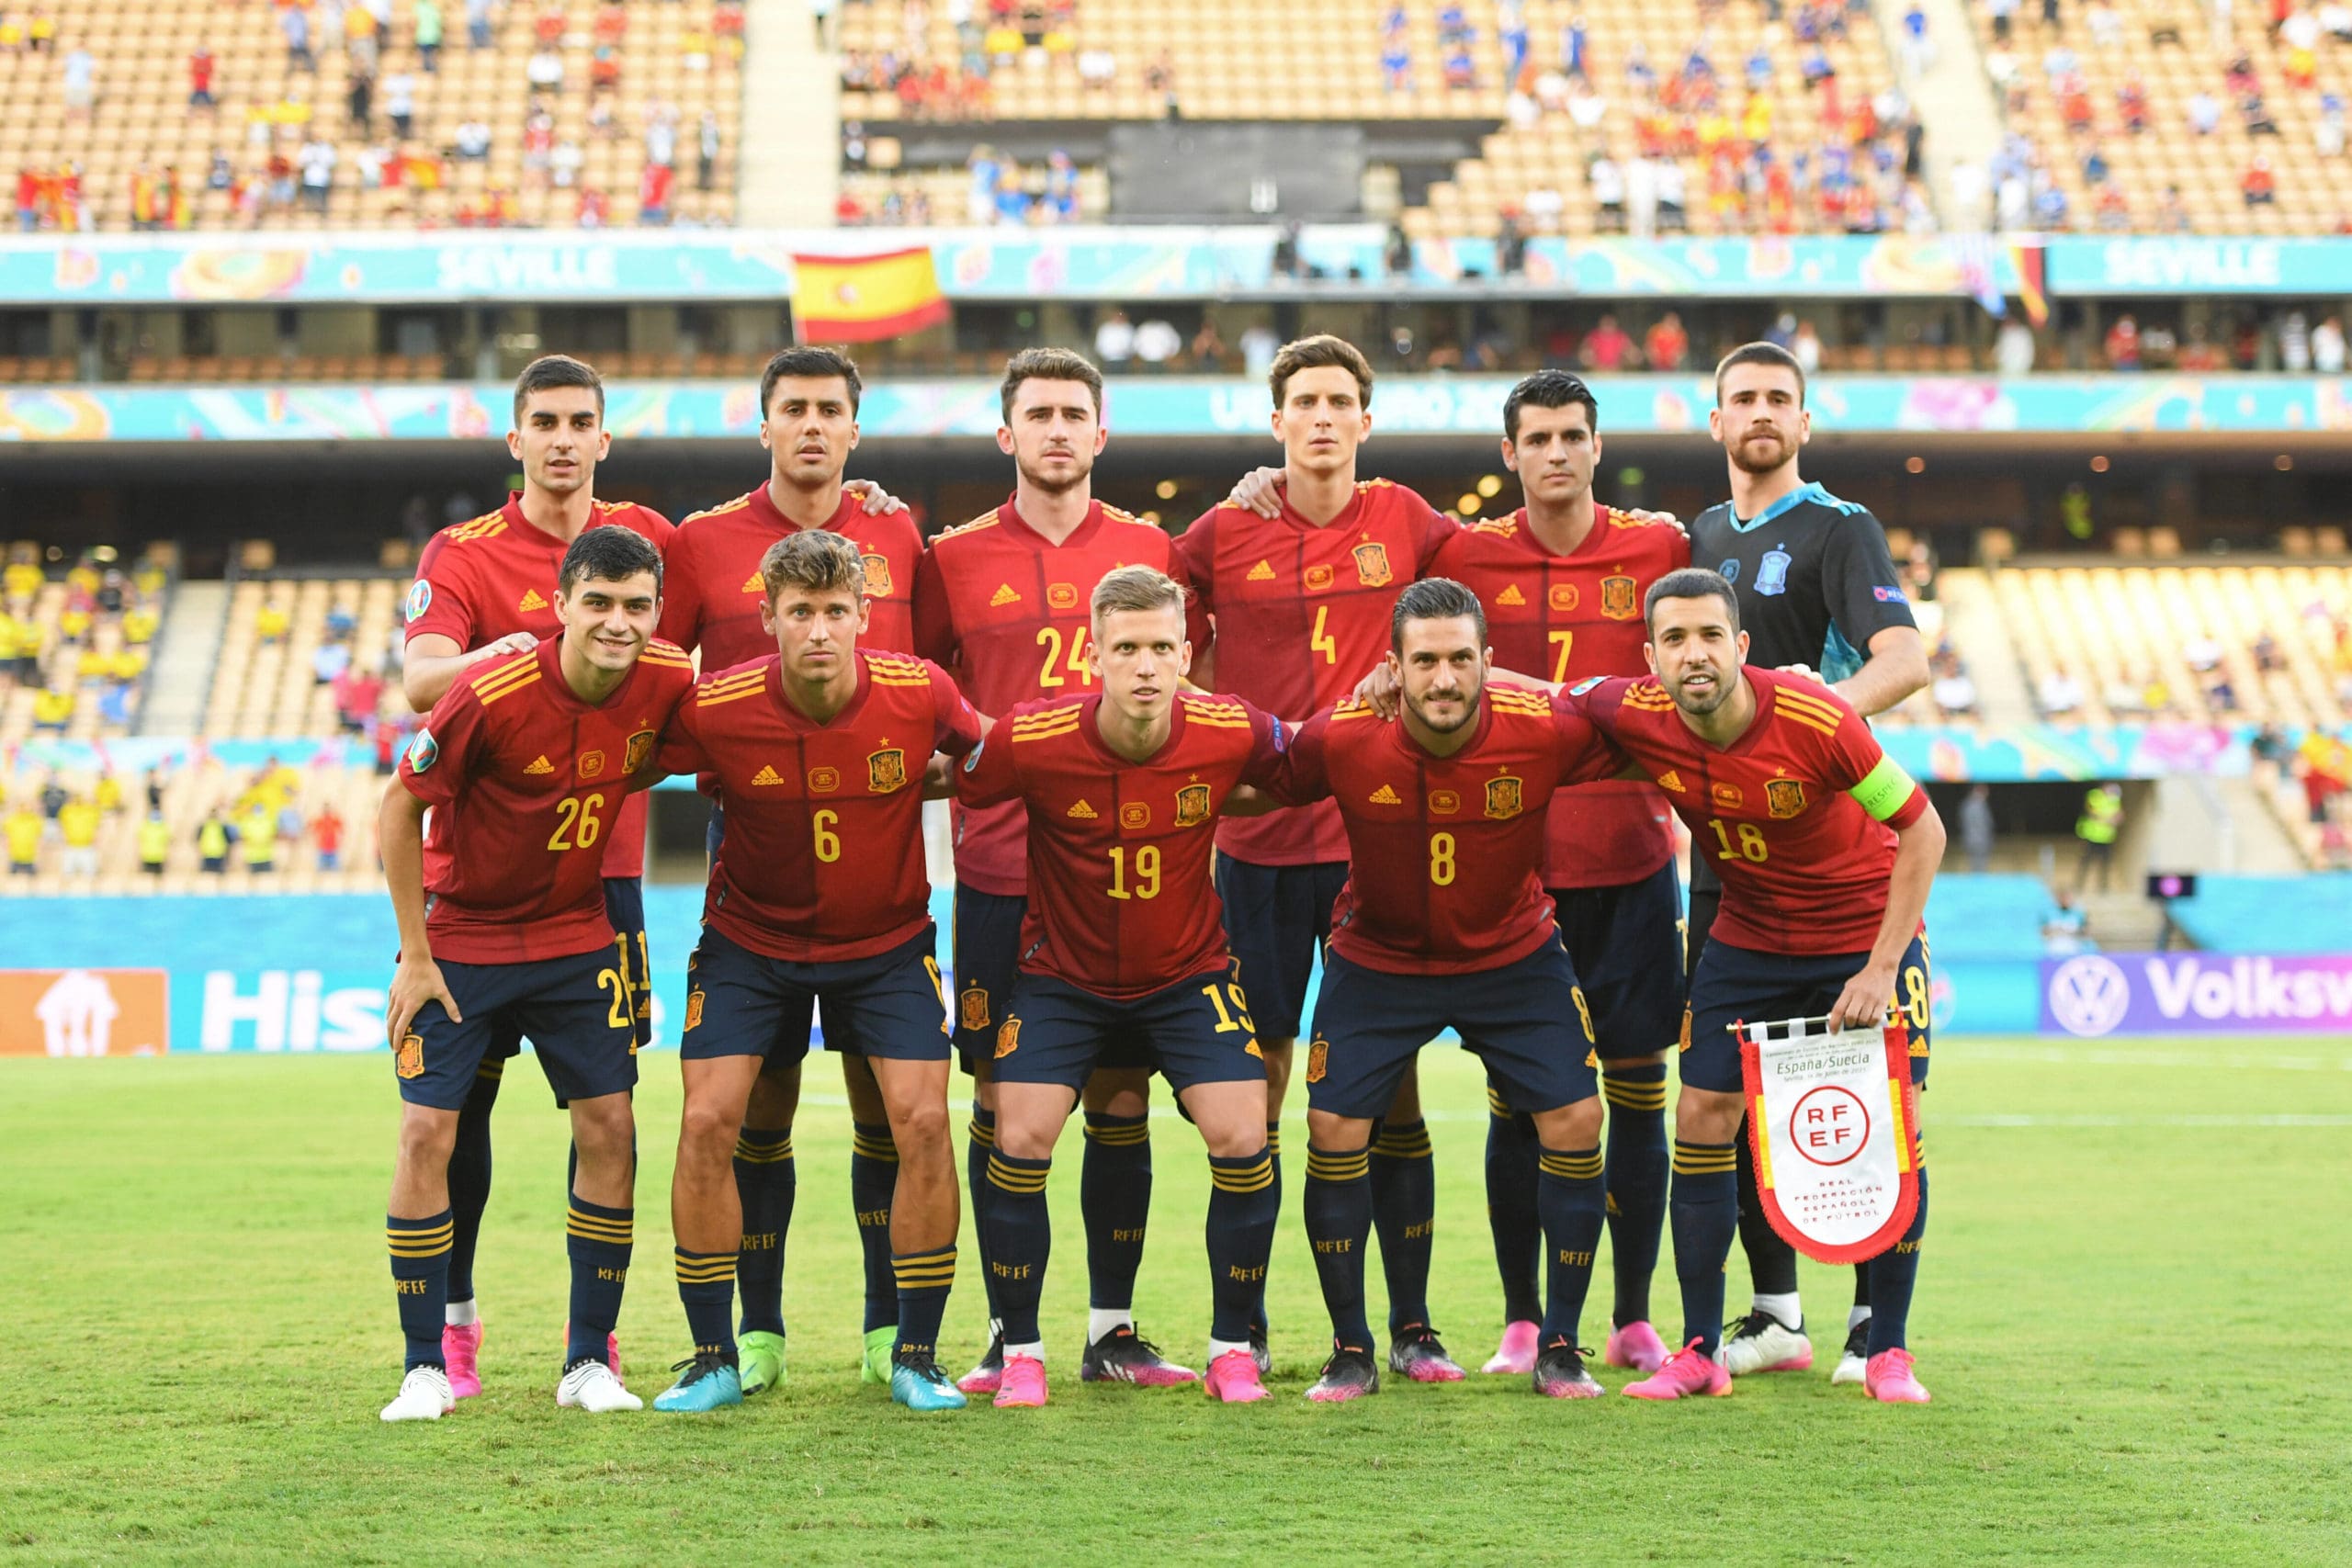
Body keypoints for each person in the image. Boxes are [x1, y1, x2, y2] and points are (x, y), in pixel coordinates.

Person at [1577, 569, 1944, 1405]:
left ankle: (1888, 1352)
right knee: (1702, 1116)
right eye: (1674, 640)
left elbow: (1923, 828)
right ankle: (1701, 1347)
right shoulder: (1636, 711)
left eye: (1710, 635)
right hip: (1747, 942)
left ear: (1741, 647)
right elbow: (1539, 694)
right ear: (1652, 658)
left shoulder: (1822, 720)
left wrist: (1881, 965)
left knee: (1893, 1130)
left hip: (1860, 936)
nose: (1693, 654)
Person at [913, 348, 1204, 1393]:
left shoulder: (1147, 549)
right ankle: (1009, 1331)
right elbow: (920, 695)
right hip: (998, 872)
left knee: (1120, 1097)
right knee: (1003, 1100)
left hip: (1124, 873)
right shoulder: (948, 559)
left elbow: (1181, 691)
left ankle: (1113, 1328)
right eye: (1036, 413)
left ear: (1101, 433)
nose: (1056, 430)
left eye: (1073, 413)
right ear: (1006, 435)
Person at [647, 531, 983, 1415]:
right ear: (768, 619)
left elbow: (987, 758)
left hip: (885, 946)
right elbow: (625, 756)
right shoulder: (715, 707)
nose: (821, 630)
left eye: (838, 611)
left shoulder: (922, 692)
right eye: (802, 612)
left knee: (920, 1121)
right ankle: (717, 1353)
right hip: (749, 946)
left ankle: (915, 1352)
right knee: (711, 1119)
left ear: (866, 617)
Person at [1182, 335, 1464, 1377]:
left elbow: (1495, 590)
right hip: (1254, 845)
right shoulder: (1220, 531)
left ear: (1364, 419)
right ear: (1276, 422)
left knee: (1384, 1086)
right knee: (1253, 1084)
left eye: (1340, 401)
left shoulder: (1407, 521)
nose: (1321, 417)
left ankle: (1410, 1323)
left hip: (1370, 841)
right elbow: (1143, 613)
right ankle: (1242, 1328)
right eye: (1303, 402)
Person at [1263, 580, 1620, 1401]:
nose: (1445, 678)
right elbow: (1263, 774)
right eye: (1425, 661)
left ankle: (1561, 1345)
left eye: (1462, 659)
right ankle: (1354, 1346)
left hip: (1513, 952)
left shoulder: (1542, 731)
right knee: (1332, 1122)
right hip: (1379, 956)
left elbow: (1644, 730)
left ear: (1489, 664)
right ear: (1393, 667)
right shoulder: (1346, 737)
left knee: (1577, 1117)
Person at [399, 355, 676, 1401]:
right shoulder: (463, 554)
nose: (563, 439)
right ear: (513, 439)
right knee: (453, 1113)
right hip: (481, 881)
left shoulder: (648, 539)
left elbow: (739, 597)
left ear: (607, 438)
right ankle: (453, 1329)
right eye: (544, 422)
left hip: (605, 879)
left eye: (582, 422)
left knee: (602, 1111)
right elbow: (421, 675)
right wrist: (515, 653)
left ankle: (590, 1347)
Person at [955, 566, 1290, 1408]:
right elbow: (952, 777)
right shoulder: (1033, 737)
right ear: (1093, 656)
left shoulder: (1228, 727)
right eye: (1127, 649)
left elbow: (1313, 762)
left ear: (1187, 653)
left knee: (1244, 1135)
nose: (1146, 666)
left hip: (1187, 975)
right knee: (1019, 1133)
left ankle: (1231, 1347)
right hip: (1062, 979)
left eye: (1162, 648)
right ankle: (1021, 1351)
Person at [657, 344, 922, 1395]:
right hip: (754, 868)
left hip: (881, 866)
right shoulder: (701, 543)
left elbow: (931, 686)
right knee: (750, 1109)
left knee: (882, 1105)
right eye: (792, 409)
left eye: (829, 410)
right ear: (761, 424)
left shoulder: (896, 530)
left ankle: (883, 1329)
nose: (811, 425)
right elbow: (655, 680)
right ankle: (752, 1335)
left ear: (855, 430)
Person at [1424, 371, 1687, 1379]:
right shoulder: (1465, 553)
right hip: (1513, 867)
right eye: (1537, 438)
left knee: (1635, 1091)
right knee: (1515, 1098)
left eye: (1573, 436)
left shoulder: (1659, 546)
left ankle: (1628, 1314)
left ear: (1595, 444)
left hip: (1628, 862)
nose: (1556, 453)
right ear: (1510, 454)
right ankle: (1523, 1318)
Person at [1686, 341, 1929, 1385]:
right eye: (1742, 399)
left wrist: (1811, 721)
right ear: (1715, 421)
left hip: (1833, 859)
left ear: (1804, 419)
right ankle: (1772, 1312)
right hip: (1726, 868)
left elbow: (1903, 659)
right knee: (1740, 1097)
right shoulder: (1697, 537)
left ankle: (1876, 1330)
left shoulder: (1838, 529)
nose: (1760, 413)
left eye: (1778, 399)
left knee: (1864, 1094)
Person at [2075, 782, 2122, 892]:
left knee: (2105, 863)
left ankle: (2103, 886)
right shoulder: (2094, 795)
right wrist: (2107, 819)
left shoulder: (2114, 799)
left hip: (2107, 837)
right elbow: (2091, 811)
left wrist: (2117, 818)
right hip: (2092, 835)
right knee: (2086, 861)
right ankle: (2079, 885)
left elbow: (2119, 814)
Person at [57, 792, 99, 878]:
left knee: (89, 875)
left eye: (80, 798)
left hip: (87, 846)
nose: (77, 801)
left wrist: (96, 837)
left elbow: (97, 827)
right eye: (75, 799)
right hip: (71, 846)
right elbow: (61, 826)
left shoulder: (90, 810)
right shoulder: (66, 811)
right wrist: (63, 838)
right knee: (68, 875)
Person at [1960, 782, 1995, 874]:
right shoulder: (1980, 805)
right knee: (1980, 867)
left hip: (1969, 840)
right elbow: (1985, 824)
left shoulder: (1966, 805)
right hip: (1980, 841)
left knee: (1974, 865)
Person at [139, 809, 171, 876]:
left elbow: (139, 836)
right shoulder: (164, 828)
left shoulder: (145, 827)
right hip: (159, 856)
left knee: (147, 877)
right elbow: (169, 838)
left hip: (147, 855)